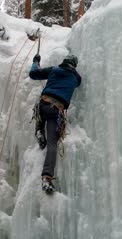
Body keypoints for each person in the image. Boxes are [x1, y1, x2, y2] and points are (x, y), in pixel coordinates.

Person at [29, 54, 82, 194]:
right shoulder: (76, 78)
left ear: (63, 62)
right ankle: (46, 178)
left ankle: (39, 130)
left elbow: (33, 73)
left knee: (40, 115)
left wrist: (36, 61)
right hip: (56, 111)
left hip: (43, 105)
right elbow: (78, 80)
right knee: (52, 144)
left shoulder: (54, 69)